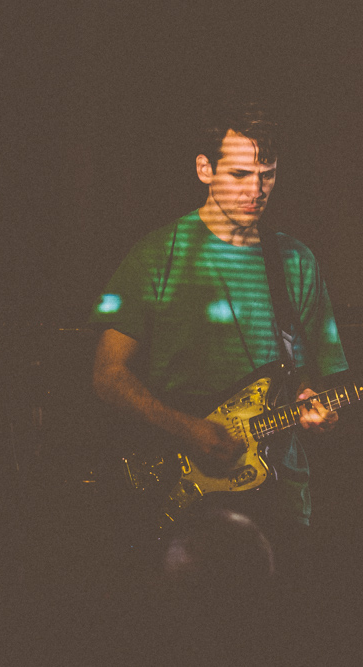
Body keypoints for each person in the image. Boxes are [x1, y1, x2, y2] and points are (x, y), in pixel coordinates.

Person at [88, 100, 348, 572]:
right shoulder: (158, 254)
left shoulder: (294, 260)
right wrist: (187, 428)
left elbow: (318, 373)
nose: (257, 190)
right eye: (241, 174)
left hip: (279, 493)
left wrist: (317, 401)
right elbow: (107, 375)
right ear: (204, 169)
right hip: (184, 489)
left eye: (267, 175)